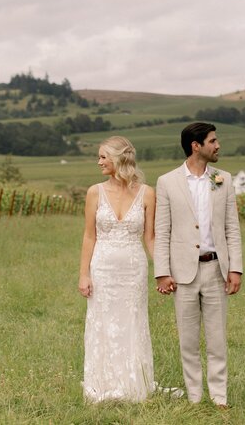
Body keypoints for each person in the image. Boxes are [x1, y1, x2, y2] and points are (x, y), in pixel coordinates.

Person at [154, 122, 243, 408]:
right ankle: (194, 398)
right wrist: (162, 272)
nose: (218, 146)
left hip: (216, 270)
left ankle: (219, 398)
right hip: (182, 274)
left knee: (217, 339)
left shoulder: (224, 179)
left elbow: (232, 228)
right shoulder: (167, 182)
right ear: (196, 145)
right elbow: (162, 231)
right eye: (213, 141)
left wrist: (235, 268)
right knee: (188, 341)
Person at [78, 136, 156, 402]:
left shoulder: (147, 193)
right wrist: (84, 274)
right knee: (102, 323)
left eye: (103, 157)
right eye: (99, 157)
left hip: (134, 269)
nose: (99, 162)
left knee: (132, 322)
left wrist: (163, 271)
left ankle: (133, 384)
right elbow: (89, 236)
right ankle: (103, 382)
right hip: (103, 268)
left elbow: (150, 238)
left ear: (119, 158)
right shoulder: (94, 192)